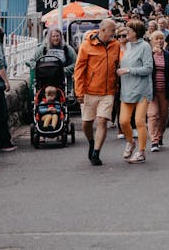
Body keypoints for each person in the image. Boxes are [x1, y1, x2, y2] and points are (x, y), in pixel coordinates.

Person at [74, 18, 120, 166]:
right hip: (89, 90)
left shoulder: (116, 45)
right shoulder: (86, 46)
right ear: (103, 30)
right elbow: (79, 70)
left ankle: (96, 152)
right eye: (112, 30)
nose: (115, 33)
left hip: (108, 91)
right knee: (86, 123)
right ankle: (91, 141)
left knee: (102, 121)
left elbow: (119, 63)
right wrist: (79, 92)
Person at [117, 19, 153, 164]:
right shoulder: (126, 46)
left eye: (129, 31)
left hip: (142, 90)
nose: (126, 33)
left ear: (136, 33)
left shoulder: (144, 46)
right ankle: (130, 142)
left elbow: (148, 68)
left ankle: (141, 151)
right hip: (127, 90)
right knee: (123, 121)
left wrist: (129, 70)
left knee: (139, 121)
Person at [148, 30, 169, 152]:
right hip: (151, 90)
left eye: (161, 39)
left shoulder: (168, 55)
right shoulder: (147, 54)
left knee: (163, 116)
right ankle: (154, 140)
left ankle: (159, 135)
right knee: (153, 114)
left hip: (164, 89)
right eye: (156, 39)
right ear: (151, 41)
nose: (159, 41)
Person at [31, 26, 76, 92]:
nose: (56, 38)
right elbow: (32, 61)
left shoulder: (67, 49)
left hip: (62, 79)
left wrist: (65, 70)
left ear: (61, 37)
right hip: (45, 80)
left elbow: (76, 63)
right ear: (49, 37)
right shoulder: (43, 49)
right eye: (53, 36)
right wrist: (40, 69)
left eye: (57, 36)